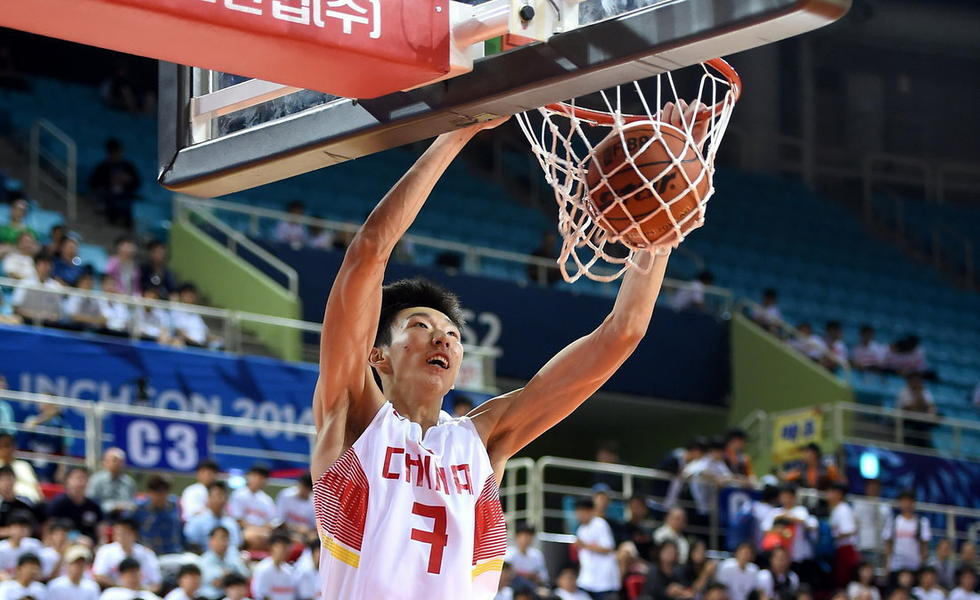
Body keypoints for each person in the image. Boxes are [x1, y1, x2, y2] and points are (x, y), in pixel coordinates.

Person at [308, 111, 689, 599]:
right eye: (421, 327)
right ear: (377, 356)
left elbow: (623, 332)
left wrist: (660, 223)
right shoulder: (353, 416)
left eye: (452, 333)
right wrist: (457, 133)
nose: (443, 339)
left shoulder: (482, 439)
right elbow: (368, 253)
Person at [761, 485, 818, 580]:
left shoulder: (800, 511)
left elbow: (810, 525)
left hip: (796, 556)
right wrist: (777, 530)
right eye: (784, 496)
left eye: (789, 497)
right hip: (777, 556)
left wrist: (786, 517)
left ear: (794, 497)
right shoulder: (775, 512)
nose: (786, 499)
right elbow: (765, 530)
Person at [92, 518, 162, 591]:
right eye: (117, 533)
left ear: (134, 534)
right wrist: (123, 586)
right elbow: (98, 576)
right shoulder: (105, 551)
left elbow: (157, 584)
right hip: (115, 591)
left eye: (124, 533)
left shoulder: (147, 554)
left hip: (142, 592)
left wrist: (139, 589)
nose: (120, 536)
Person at [572, 497, 620, 599]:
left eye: (583, 511)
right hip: (587, 579)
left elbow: (608, 548)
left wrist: (585, 545)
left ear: (591, 511)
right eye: (578, 512)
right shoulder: (580, 529)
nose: (580, 515)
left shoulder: (600, 524)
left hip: (603, 580)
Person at [88, 139, 141, 228]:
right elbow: (93, 183)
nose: (116, 155)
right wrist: (109, 181)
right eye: (113, 153)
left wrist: (128, 180)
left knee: (128, 207)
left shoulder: (127, 166)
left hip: (125, 196)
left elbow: (137, 183)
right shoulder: (103, 167)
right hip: (108, 196)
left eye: (118, 152)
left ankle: (126, 226)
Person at [45, 466, 103, 542]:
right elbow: (49, 529)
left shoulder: (94, 506)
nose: (81, 482)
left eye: (84, 478)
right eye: (77, 478)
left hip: (89, 544)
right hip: (63, 543)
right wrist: (75, 539)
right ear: (67, 480)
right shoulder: (58, 504)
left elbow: (100, 533)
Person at [227, 463, 276, 549]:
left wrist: (262, 529)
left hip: (262, 532)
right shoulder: (238, 495)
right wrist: (255, 529)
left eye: (262, 478)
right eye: (255, 476)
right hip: (243, 530)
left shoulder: (267, 500)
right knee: (252, 536)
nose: (258, 480)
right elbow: (238, 520)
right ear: (249, 476)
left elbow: (272, 522)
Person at [183, 482, 243, 552]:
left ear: (226, 500)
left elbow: (237, 544)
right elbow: (191, 543)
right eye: (216, 496)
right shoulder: (196, 520)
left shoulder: (231, 523)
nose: (218, 500)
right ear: (208, 498)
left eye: (222, 496)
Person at [131, 475, 183, 555]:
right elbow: (128, 529)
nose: (161, 496)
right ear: (150, 492)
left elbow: (179, 531)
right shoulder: (139, 509)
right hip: (147, 553)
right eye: (157, 492)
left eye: (164, 492)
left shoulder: (174, 506)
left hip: (173, 552)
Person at [884, 490, 931, 575]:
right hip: (896, 565)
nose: (907, 505)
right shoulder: (893, 521)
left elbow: (924, 546)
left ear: (913, 503)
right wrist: (888, 564)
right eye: (904, 501)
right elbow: (888, 544)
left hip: (914, 566)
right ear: (900, 503)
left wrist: (922, 563)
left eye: (909, 502)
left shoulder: (922, 522)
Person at [11, 253, 64, 326]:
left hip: (48, 324)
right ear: (36, 265)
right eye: (44, 264)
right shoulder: (24, 283)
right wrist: (35, 316)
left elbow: (59, 313)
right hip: (25, 322)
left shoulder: (56, 286)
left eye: (49, 264)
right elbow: (16, 308)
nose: (46, 267)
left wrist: (51, 317)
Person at [199, 526, 249, 600]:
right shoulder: (204, 560)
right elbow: (216, 583)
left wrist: (229, 578)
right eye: (221, 538)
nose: (224, 542)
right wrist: (231, 578)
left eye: (226, 538)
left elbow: (245, 576)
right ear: (211, 541)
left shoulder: (232, 556)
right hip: (211, 597)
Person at [828, 482, 861, 589]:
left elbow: (850, 530)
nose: (828, 495)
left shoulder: (843, 509)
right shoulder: (837, 509)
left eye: (831, 492)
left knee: (843, 581)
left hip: (846, 549)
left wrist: (831, 536)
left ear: (839, 494)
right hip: (841, 549)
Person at [87, 447, 137, 515]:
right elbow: (91, 501)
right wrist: (112, 507)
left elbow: (132, 501)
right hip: (102, 516)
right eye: (114, 460)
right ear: (105, 462)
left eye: (121, 461)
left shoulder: (129, 482)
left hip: (124, 517)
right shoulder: (96, 480)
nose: (118, 464)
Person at [854, 479, 891, 567]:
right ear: (866, 488)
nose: (873, 489)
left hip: (879, 548)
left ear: (880, 489)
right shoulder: (859, 504)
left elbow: (888, 529)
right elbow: (855, 525)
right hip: (862, 546)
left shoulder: (885, 507)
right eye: (870, 486)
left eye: (875, 487)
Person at [250, 533, 296, 600]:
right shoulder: (263, 569)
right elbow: (260, 595)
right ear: (272, 547)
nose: (285, 551)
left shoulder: (289, 570)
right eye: (282, 547)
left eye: (287, 547)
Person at [896, 374, 937, 448]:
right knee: (919, 425)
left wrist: (919, 394)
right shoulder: (904, 391)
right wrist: (919, 399)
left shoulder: (924, 391)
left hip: (921, 418)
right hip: (907, 418)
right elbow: (909, 408)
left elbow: (931, 407)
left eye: (918, 381)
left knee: (936, 417)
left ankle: (926, 445)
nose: (917, 383)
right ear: (910, 382)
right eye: (915, 381)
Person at [0, 434, 42, 504]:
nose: (5, 450)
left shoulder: (24, 465)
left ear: (14, 447)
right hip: (7, 502)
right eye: (2, 446)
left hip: (30, 502)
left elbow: (36, 487)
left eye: (8, 446)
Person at [504, 524, 549, 588]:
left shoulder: (537, 555)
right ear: (517, 537)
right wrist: (528, 575)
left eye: (529, 536)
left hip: (533, 587)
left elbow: (543, 577)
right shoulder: (509, 553)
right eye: (523, 536)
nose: (526, 539)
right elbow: (507, 574)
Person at [0, 468, 37, 536]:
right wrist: (10, 532)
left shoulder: (24, 503)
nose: (7, 483)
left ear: (15, 480)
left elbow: (32, 526)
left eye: (9, 479)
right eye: (3, 480)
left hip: (22, 540)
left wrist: (20, 532)